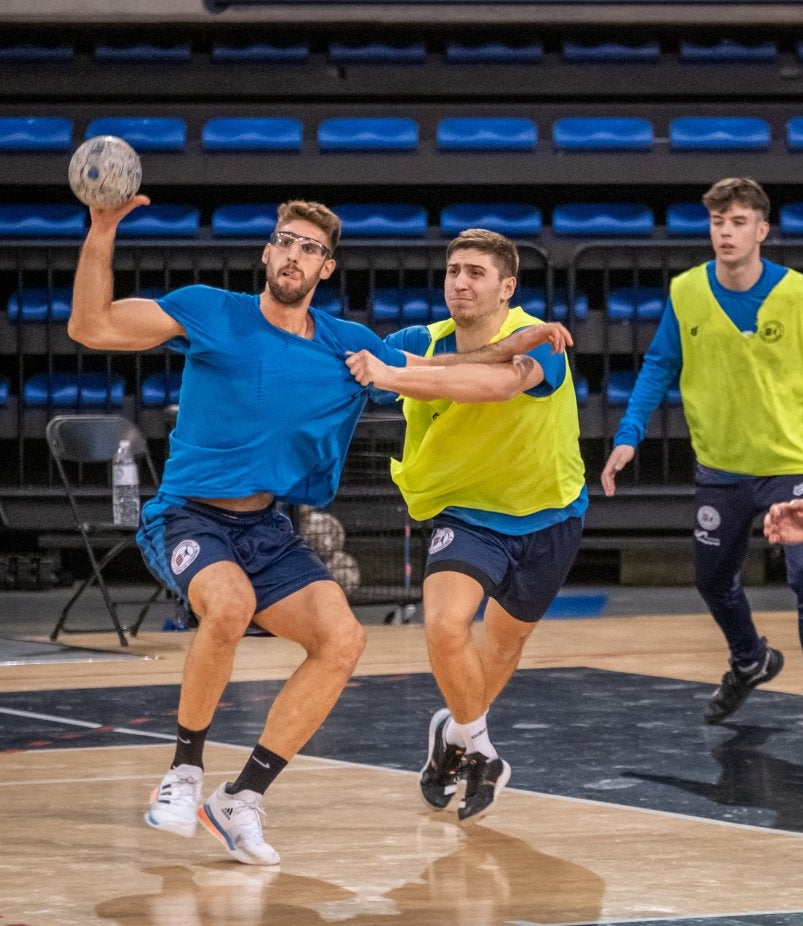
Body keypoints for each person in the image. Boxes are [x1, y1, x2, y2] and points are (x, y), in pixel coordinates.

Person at [70, 199, 566, 863]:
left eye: (309, 248)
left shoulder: (343, 342)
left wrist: (515, 344)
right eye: (285, 243)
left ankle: (242, 798)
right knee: (230, 607)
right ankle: (184, 770)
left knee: (342, 640)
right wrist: (102, 231)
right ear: (267, 255)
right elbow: (91, 325)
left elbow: (434, 371)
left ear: (325, 267)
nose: (293, 255)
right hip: (187, 513)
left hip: (267, 526)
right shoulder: (211, 311)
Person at [600, 177, 803, 746]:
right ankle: (749, 659)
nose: (726, 232)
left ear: (762, 230)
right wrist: (629, 434)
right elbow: (657, 367)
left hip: (796, 459)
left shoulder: (802, 296)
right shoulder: (687, 292)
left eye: (739, 221)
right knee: (712, 579)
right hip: (722, 465)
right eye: (718, 222)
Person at [345, 228, 586, 822]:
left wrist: (395, 373)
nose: (460, 281)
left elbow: (498, 384)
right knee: (446, 624)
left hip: (548, 513)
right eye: (454, 270)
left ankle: (454, 735)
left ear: (508, 287)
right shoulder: (417, 340)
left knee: (504, 644)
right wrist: (388, 366)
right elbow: (359, 372)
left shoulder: (543, 340)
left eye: (476, 272)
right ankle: (481, 750)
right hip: (466, 513)